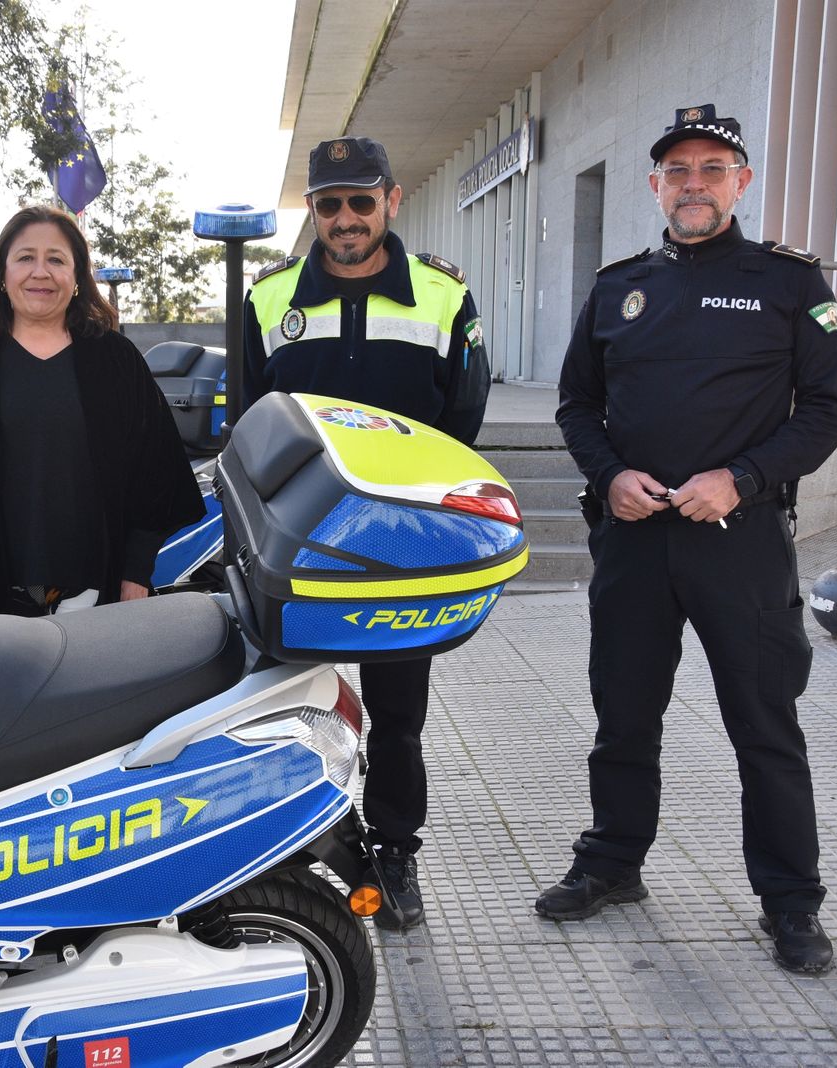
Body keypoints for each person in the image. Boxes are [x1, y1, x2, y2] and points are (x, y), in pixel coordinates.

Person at [539, 105, 837, 974]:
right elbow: (576, 405)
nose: (695, 184)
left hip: (739, 543)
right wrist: (610, 477)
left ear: (741, 183)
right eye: (678, 171)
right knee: (623, 716)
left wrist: (741, 479)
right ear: (656, 186)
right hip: (635, 541)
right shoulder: (617, 285)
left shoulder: (790, 282)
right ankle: (612, 863)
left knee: (764, 725)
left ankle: (791, 903)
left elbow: (828, 411)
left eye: (713, 170)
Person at [241, 135, 490, 930]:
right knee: (285, 704)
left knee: (400, 718)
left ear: (392, 198)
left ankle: (395, 853)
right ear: (311, 210)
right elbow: (249, 424)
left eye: (360, 200)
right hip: (295, 547)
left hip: (401, 547)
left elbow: (463, 421)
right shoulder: (269, 299)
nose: (344, 218)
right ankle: (284, 846)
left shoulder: (444, 298)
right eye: (328, 204)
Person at [0, 204, 201, 635]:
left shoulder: (115, 361)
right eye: (25, 258)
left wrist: (136, 571)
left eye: (56, 259)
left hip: (98, 589)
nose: (41, 272)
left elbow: (153, 473)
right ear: (2, 274)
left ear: (76, 277)